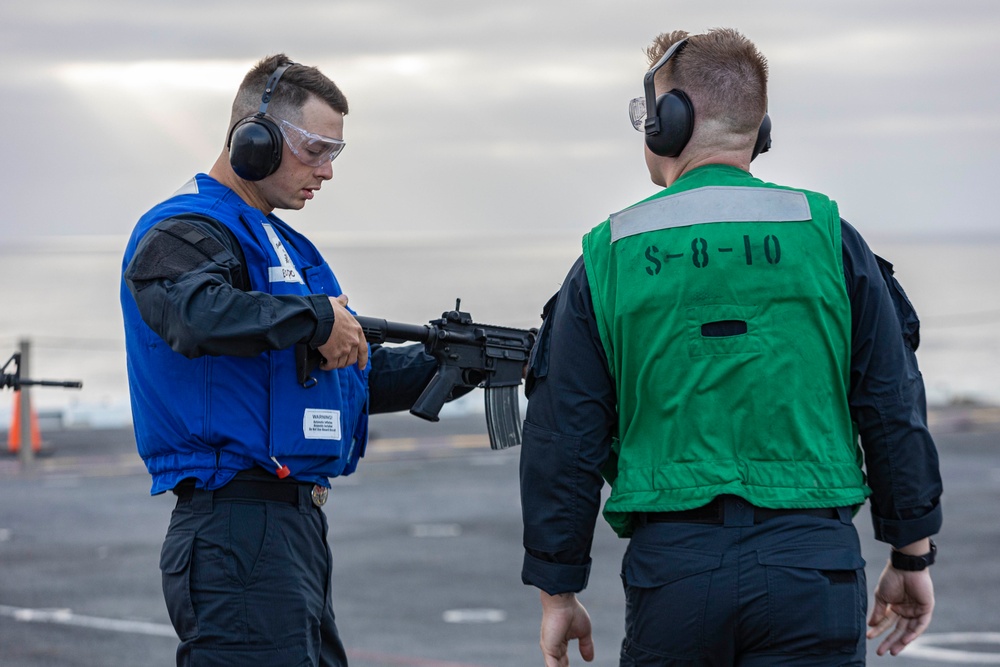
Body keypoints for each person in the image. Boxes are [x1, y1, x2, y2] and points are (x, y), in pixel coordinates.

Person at [519, 29, 942, 666]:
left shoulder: (610, 253)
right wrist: (910, 552)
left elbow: (564, 434)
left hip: (675, 572)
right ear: (758, 127)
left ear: (670, 123)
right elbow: (891, 402)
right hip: (814, 567)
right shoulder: (828, 236)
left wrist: (559, 590)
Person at [120, 54, 464, 666]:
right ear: (255, 140)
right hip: (233, 523)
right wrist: (319, 317)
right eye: (316, 149)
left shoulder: (278, 241)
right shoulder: (183, 229)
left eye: (337, 152)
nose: (327, 171)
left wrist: (452, 366)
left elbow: (336, 378)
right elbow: (193, 314)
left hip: (290, 527)